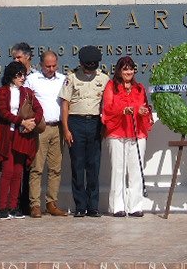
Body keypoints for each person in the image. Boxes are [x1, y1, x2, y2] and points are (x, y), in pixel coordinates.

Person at [60, 45, 110, 217]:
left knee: (94, 166)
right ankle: (80, 206)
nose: (91, 67)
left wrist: (105, 127)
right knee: (78, 165)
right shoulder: (71, 78)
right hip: (76, 122)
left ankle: (93, 206)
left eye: (94, 64)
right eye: (88, 64)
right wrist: (66, 129)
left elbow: (107, 105)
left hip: (95, 123)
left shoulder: (104, 79)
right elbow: (65, 105)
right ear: (81, 63)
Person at [102, 56, 152, 217]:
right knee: (118, 169)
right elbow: (108, 108)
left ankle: (136, 206)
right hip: (117, 132)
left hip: (137, 133)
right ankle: (118, 206)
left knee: (136, 169)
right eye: (125, 69)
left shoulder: (139, 88)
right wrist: (123, 110)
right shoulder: (111, 86)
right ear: (119, 70)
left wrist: (143, 111)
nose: (128, 72)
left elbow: (144, 106)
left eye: (130, 69)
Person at [0, 61, 42, 219]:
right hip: (7, 134)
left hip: (23, 135)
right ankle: (2, 208)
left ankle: (14, 206)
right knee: (7, 171)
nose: (22, 77)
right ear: (11, 76)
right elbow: (2, 111)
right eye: (19, 75)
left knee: (18, 172)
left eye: (24, 74)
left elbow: (38, 109)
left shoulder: (27, 92)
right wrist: (21, 121)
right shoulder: (2, 91)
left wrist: (32, 123)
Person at [27, 50, 69, 217]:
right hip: (40, 128)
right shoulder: (32, 80)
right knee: (37, 168)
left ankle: (52, 203)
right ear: (40, 65)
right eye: (47, 66)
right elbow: (26, 102)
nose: (51, 69)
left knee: (55, 168)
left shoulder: (63, 80)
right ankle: (35, 204)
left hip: (58, 127)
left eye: (54, 65)